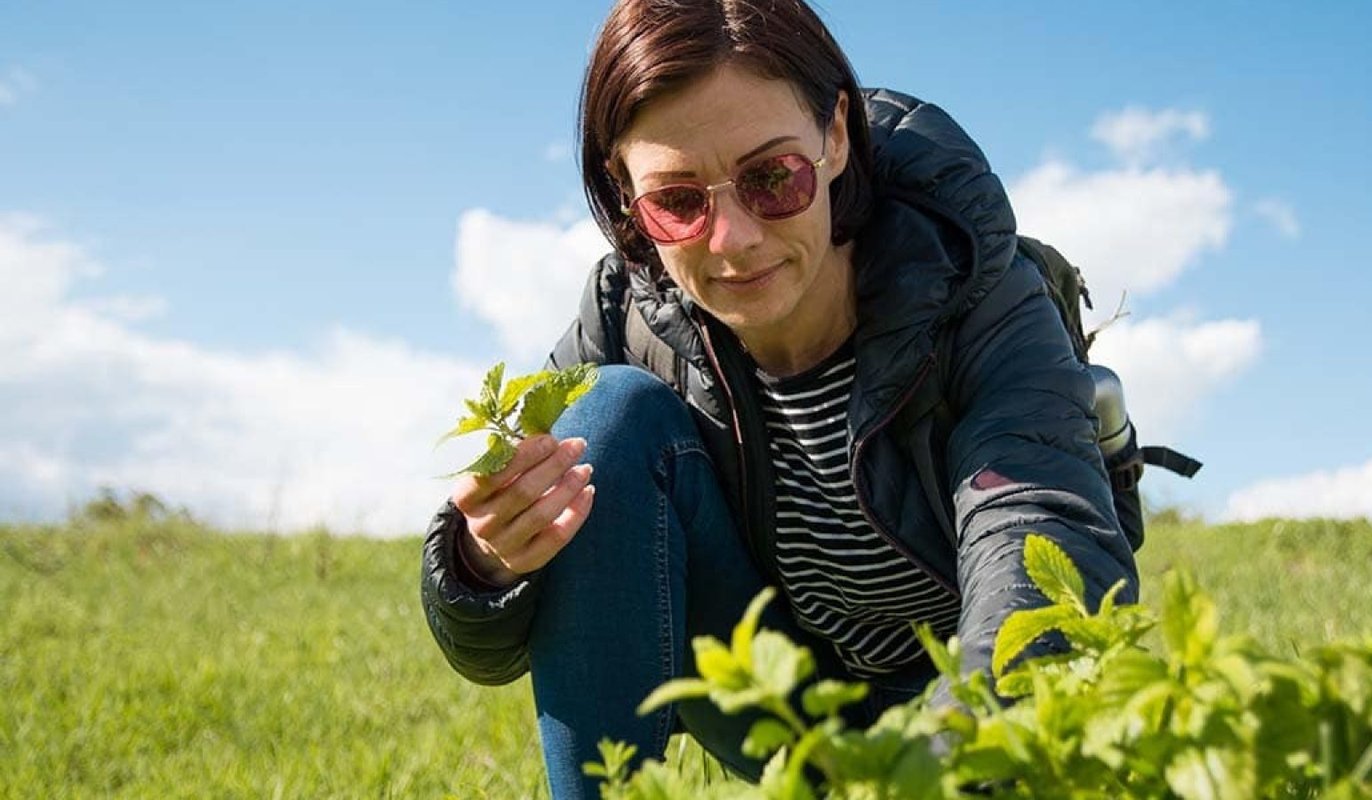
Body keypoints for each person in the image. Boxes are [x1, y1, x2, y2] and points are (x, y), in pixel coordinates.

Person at [419, 0, 1137, 797]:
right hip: (788, 704)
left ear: (835, 137)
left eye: (770, 178)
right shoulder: (629, 316)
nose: (733, 239)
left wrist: (929, 770)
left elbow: (1036, 540)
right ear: (625, 192)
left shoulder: (975, 285)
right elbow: (486, 647)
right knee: (606, 417)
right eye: (679, 201)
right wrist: (482, 563)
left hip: (969, 714)